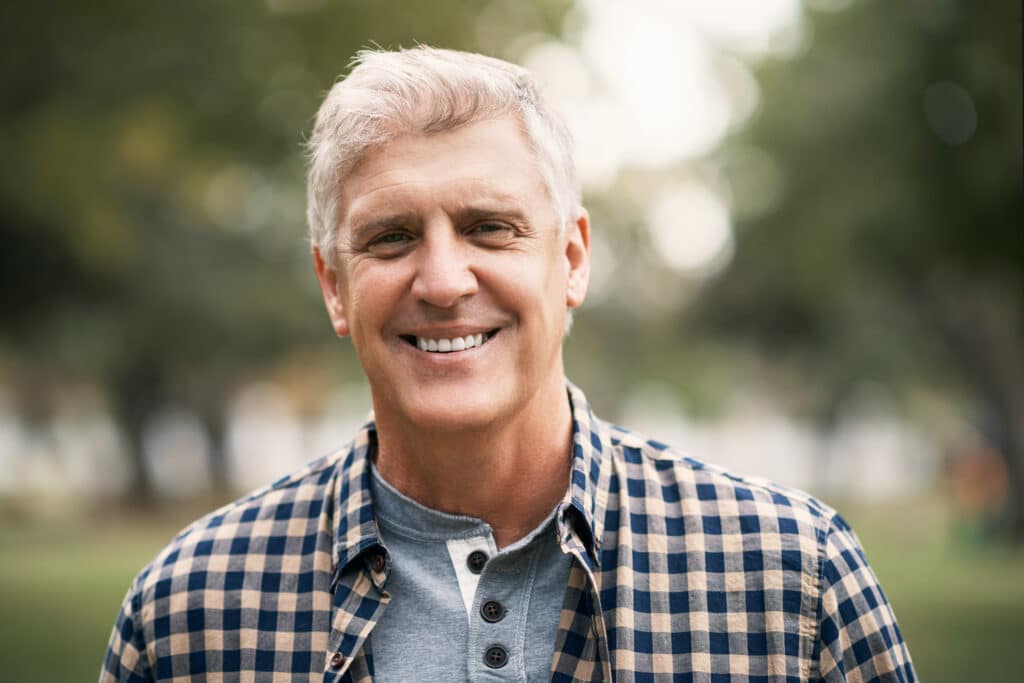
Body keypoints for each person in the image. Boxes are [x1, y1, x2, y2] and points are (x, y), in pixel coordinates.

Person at [101, 46, 916, 682]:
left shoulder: (793, 577)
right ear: (333, 285)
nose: (445, 280)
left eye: (490, 227)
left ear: (571, 259)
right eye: (391, 237)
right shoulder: (189, 611)